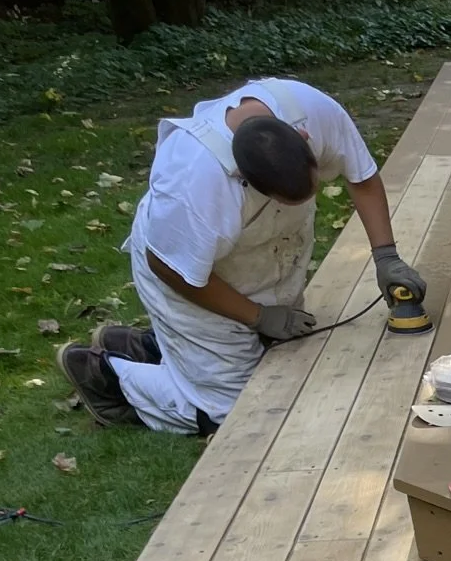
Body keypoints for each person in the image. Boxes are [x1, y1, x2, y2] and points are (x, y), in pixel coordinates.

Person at [57, 77, 427, 435]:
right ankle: (106, 377)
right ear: (245, 180)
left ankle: (152, 347)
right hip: (185, 267)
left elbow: (361, 178)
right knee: (241, 408)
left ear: (303, 139)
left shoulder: (311, 109)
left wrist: (385, 256)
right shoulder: (196, 183)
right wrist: (258, 315)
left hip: (258, 251)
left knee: (279, 360)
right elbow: (172, 270)